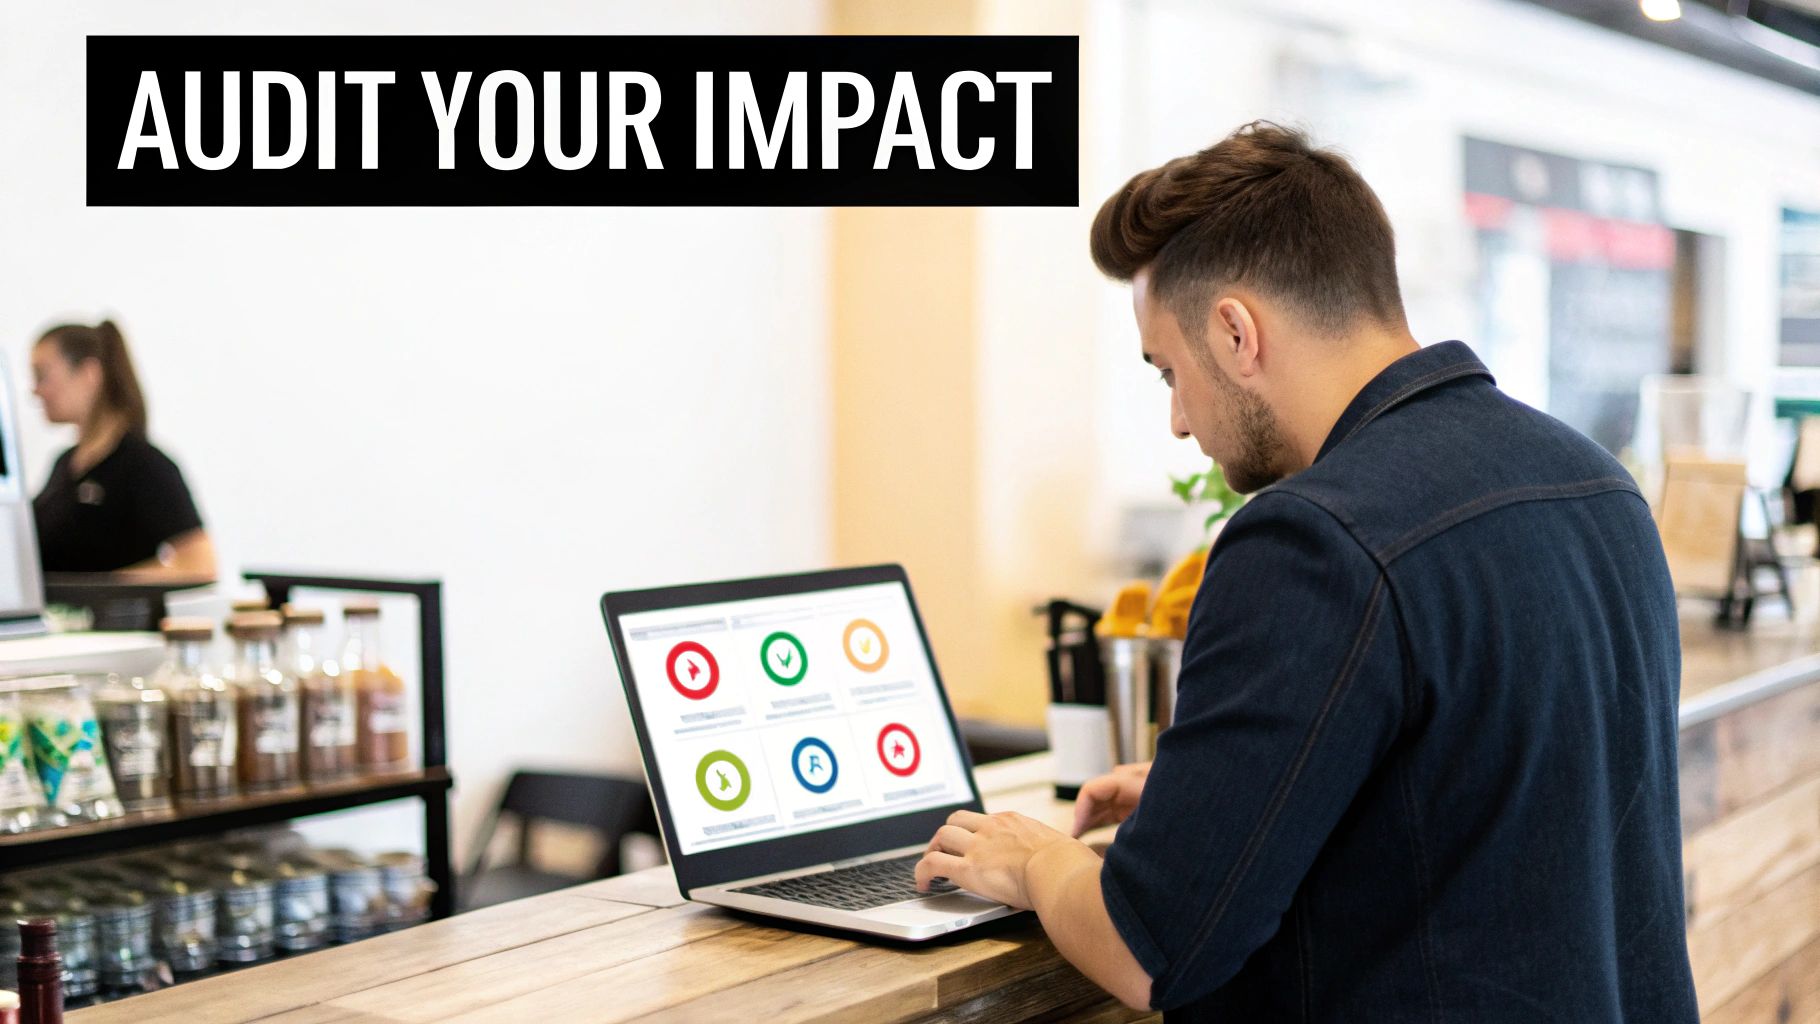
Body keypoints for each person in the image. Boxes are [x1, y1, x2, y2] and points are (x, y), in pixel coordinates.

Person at [915, 123, 1697, 1021]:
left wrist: (1035, 858)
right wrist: (1223, 803)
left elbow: (1150, 947)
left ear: (1236, 331)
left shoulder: (1311, 537)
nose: (1177, 420)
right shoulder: (1596, 483)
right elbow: (1496, 803)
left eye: (1170, 371)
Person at [30, 319, 216, 579]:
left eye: (43, 376)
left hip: (106, 619)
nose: (36, 390)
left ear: (89, 374)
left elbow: (199, 565)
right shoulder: (64, 465)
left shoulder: (143, 465)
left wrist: (102, 590)